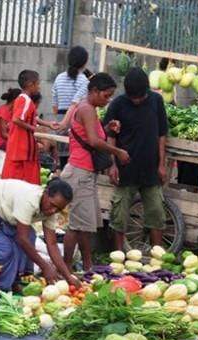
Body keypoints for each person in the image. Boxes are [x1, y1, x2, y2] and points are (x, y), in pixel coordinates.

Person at [61, 73, 130, 272]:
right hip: (79, 172)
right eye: (106, 95)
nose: (107, 100)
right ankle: (65, 267)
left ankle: (88, 265)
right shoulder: (86, 109)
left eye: (110, 96)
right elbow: (92, 141)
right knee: (76, 225)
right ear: (94, 91)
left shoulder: (88, 108)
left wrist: (107, 129)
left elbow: (91, 135)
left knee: (85, 224)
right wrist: (117, 151)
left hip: (84, 172)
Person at [0, 178, 81, 290]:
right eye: (52, 205)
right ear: (46, 192)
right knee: (4, 250)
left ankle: (18, 278)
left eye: (58, 209)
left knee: (30, 235)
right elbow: (21, 239)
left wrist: (68, 276)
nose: (53, 211)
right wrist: (45, 266)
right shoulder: (29, 199)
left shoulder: (50, 211)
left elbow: (52, 244)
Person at [104, 67, 168, 250]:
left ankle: (157, 258)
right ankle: (118, 256)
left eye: (141, 97)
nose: (137, 100)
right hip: (125, 171)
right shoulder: (118, 104)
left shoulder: (156, 101)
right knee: (119, 217)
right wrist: (113, 164)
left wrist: (161, 164)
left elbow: (162, 135)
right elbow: (110, 136)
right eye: (134, 98)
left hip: (151, 170)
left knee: (157, 214)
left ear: (147, 91)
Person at [1, 70, 59, 185]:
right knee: (25, 182)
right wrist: (35, 129)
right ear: (30, 85)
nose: (39, 87)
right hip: (22, 148)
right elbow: (16, 119)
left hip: (20, 148)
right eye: (38, 84)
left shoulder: (22, 99)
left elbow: (31, 118)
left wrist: (47, 124)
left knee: (15, 180)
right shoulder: (25, 100)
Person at [52, 46, 90, 169]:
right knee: (75, 155)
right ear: (84, 62)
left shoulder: (59, 78)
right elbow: (80, 103)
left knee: (63, 157)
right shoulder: (84, 80)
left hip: (60, 117)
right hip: (76, 119)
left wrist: (59, 119)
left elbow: (55, 104)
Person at [0, 88, 22, 175]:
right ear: (16, 100)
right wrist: (18, 140)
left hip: (8, 141)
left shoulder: (12, 112)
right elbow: (4, 134)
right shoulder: (3, 111)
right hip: (1, 142)